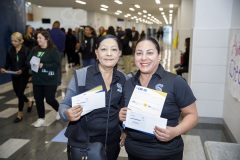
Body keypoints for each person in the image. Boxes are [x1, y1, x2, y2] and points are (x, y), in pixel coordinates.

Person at [119, 37, 198, 160]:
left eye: (150, 53)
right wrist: (122, 118)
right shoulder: (129, 83)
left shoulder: (175, 82)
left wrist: (175, 132)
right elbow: (126, 113)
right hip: (134, 151)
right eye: (139, 53)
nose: (144, 57)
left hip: (166, 152)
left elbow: (192, 115)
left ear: (159, 56)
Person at [59, 34, 127, 160]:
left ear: (119, 53)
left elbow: (124, 109)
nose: (109, 54)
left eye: (113, 49)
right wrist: (66, 113)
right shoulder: (82, 76)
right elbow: (65, 104)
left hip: (112, 141)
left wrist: (124, 130)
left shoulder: (123, 78)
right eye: (104, 49)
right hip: (84, 143)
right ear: (96, 53)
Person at [26, 30, 61, 127]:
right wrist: (31, 65)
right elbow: (28, 61)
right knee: (38, 99)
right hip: (37, 79)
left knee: (50, 99)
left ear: (46, 39)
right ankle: (41, 118)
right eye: (37, 38)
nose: (38, 40)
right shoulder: (35, 49)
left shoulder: (53, 50)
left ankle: (59, 109)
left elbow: (57, 64)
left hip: (50, 79)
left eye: (40, 38)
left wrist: (43, 65)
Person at [0, 32, 34, 123]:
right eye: (12, 41)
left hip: (24, 75)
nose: (13, 43)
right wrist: (4, 68)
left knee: (19, 93)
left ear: (21, 41)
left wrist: (22, 70)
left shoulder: (26, 50)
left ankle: (19, 114)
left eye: (15, 41)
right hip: (14, 74)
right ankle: (29, 102)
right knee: (17, 92)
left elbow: (28, 64)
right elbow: (8, 62)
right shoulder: (10, 49)